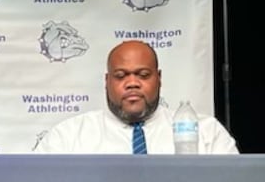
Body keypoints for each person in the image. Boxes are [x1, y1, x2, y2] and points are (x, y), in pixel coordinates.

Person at [37, 40, 239, 154]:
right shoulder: (68, 137)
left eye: (143, 75)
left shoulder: (207, 132)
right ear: (107, 81)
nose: (132, 83)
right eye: (120, 76)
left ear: (159, 78)